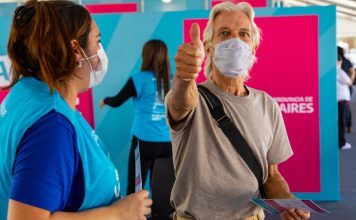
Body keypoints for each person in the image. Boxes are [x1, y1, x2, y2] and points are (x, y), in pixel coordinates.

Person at [0, 1, 152, 220]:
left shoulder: (29, 92)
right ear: (75, 50)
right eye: (97, 41)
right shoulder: (51, 126)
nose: (101, 51)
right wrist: (116, 214)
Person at [166, 2, 310, 220]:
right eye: (224, 33)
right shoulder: (193, 96)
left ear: (253, 47)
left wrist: (288, 203)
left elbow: (271, 175)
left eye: (244, 34)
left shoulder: (267, 104)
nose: (235, 41)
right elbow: (180, 103)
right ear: (207, 46)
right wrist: (185, 78)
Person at [99, 40, 172, 216]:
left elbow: (117, 101)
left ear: (146, 56)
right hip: (167, 143)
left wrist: (105, 100)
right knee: (163, 190)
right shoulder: (171, 80)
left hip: (143, 142)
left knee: (135, 188)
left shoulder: (139, 79)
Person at [338, 46, 355, 133]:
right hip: (346, 86)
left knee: (345, 107)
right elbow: (353, 71)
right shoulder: (346, 61)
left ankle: (348, 125)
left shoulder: (341, 61)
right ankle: (348, 126)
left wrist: (350, 81)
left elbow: (352, 71)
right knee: (346, 107)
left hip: (345, 85)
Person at [337, 56, 353, 150]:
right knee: (342, 122)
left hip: (340, 100)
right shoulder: (339, 71)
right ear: (340, 61)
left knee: (341, 122)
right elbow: (349, 82)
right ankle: (342, 143)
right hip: (342, 100)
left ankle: (341, 141)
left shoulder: (335, 71)